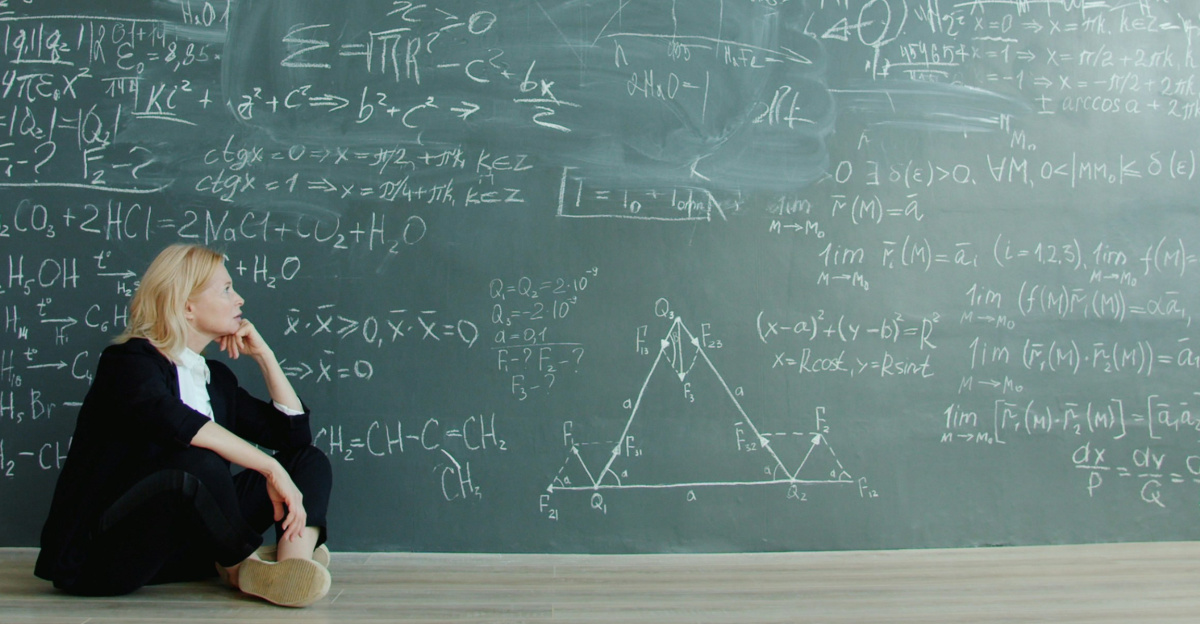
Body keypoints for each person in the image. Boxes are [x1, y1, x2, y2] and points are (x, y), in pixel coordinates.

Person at [34, 244, 333, 607]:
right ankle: (246, 566)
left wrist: (265, 358)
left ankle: (292, 567)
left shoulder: (213, 379)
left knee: (305, 460)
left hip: (187, 552)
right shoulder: (128, 362)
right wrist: (268, 467)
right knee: (197, 462)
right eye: (225, 289)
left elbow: (293, 436)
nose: (239, 299)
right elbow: (182, 425)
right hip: (103, 556)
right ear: (187, 305)